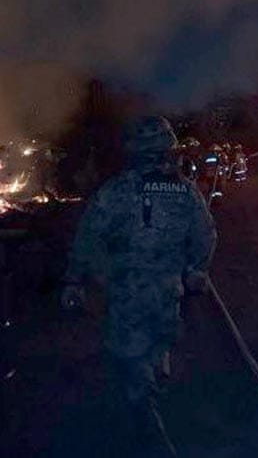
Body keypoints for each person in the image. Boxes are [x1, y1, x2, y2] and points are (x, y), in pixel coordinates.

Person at [60, 115, 217, 457]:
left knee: (131, 367)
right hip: (167, 297)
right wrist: (194, 270)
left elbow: (88, 236)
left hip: (127, 296)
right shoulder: (186, 191)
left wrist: (75, 279)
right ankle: (151, 402)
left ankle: (150, 435)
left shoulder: (116, 190)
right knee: (156, 353)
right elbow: (206, 236)